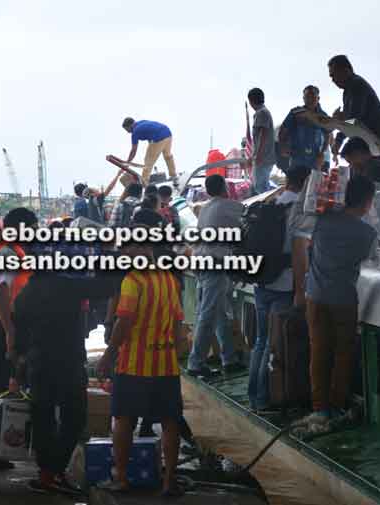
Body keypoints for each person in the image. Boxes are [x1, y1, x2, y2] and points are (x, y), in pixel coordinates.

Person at [16, 240, 123, 495]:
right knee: (74, 418)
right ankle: (54, 470)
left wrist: (20, 361)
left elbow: (18, 328)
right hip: (67, 361)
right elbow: (108, 285)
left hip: (38, 361)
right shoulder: (65, 285)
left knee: (43, 416)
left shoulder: (27, 292)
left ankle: (46, 474)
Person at [97, 225, 186, 497]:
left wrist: (108, 356)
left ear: (144, 249)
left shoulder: (132, 281)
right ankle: (169, 480)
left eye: (128, 247)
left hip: (134, 364)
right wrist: (177, 352)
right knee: (171, 420)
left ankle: (121, 478)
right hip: (166, 364)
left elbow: (124, 322)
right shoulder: (169, 279)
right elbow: (178, 324)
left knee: (124, 419)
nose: (124, 252)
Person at [304, 175, 377, 430]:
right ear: (368, 203)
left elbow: (309, 250)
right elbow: (365, 259)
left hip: (314, 295)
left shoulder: (322, 221)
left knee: (318, 351)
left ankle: (319, 408)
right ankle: (335, 408)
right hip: (343, 299)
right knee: (343, 353)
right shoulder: (367, 233)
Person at [248, 166, 312, 413]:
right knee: (275, 344)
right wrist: (300, 290)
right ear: (305, 183)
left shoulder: (272, 202)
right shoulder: (300, 210)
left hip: (262, 279)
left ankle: (255, 396)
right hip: (285, 283)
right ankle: (267, 398)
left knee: (261, 341)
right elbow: (299, 253)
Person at [0, 208, 36, 471]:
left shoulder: (1, 249)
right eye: (32, 227)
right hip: (3, 322)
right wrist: (10, 331)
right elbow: (2, 292)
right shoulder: (7, 253)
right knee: (4, 384)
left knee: (3, 383)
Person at [187, 175, 244, 377]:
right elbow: (248, 214)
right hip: (214, 266)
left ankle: (229, 359)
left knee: (218, 313)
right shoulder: (227, 205)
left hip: (202, 264)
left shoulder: (206, 207)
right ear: (223, 188)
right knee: (208, 314)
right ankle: (195, 363)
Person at [328, 55, 380, 154]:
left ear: (346, 70)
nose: (332, 80)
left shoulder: (357, 84)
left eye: (334, 75)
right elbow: (350, 117)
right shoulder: (347, 90)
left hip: (379, 136)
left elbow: (353, 118)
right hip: (367, 136)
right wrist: (341, 118)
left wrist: (339, 139)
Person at [278, 85, 329, 173]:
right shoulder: (295, 112)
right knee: (295, 183)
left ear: (318, 98)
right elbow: (283, 130)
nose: (310, 100)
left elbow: (327, 135)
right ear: (303, 98)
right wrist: (283, 145)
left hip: (315, 160)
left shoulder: (323, 115)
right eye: (307, 97)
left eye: (313, 97)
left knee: (312, 184)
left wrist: (322, 153)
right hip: (296, 157)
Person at [122, 117, 177, 185]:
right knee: (168, 156)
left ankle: (144, 183)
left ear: (130, 125)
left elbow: (133, 150)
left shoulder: (135, 132)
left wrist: (128, 162)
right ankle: (173, 175)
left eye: (127, 129)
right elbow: (150, 132)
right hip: (167, 133)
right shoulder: (141, 122)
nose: (128, 132)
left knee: (148, 163)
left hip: (158, 138)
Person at [248, 88, 276, 194]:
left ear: (251, 101)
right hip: (265, 157)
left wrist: (258, 155)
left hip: (263, 158)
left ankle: (266, 209)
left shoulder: (261, 113)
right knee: (262, 186)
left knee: (260, 188)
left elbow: (262, 135)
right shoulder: (264, 112)